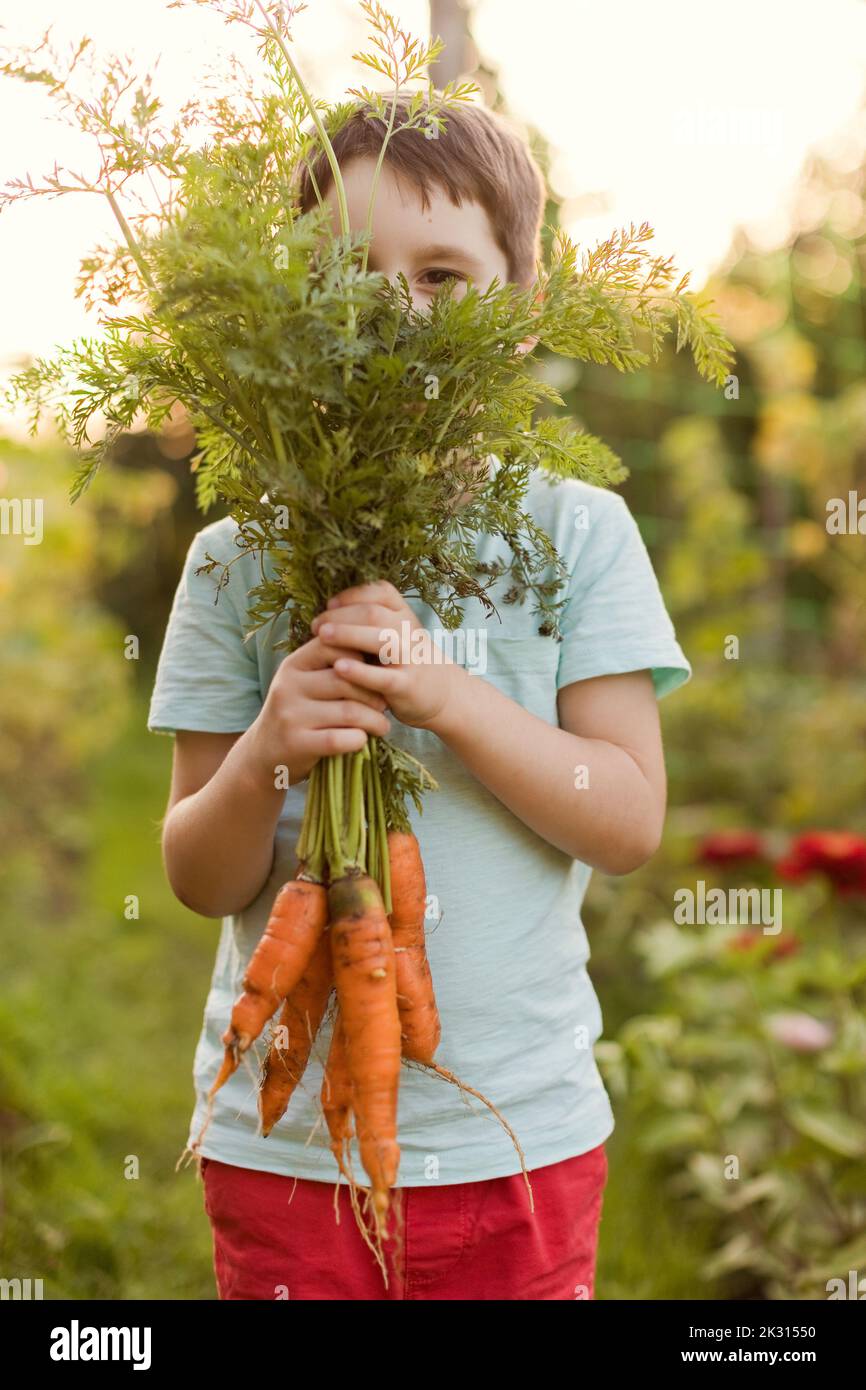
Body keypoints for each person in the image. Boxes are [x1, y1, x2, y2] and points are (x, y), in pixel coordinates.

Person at [148, 94, 691, 1301]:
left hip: (524, 1139)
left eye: (442, 274)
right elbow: (198, 872)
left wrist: (448, 696)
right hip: (276, 1145)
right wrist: (267, 754)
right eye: (346, 273)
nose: (393, 307)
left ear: (523, 304)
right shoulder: (238, 559)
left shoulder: (577, 533)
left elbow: (627, 817)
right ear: (291, 308)